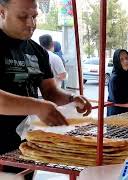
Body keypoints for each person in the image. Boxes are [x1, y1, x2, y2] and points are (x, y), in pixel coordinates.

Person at [0, 0, 92, 178]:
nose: (31, 23)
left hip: (27, 144)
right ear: (2, 12)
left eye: (34, 16)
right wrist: (36, 106)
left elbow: (51, 92)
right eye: (23, 16)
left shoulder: (37, 51)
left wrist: (72, 98)